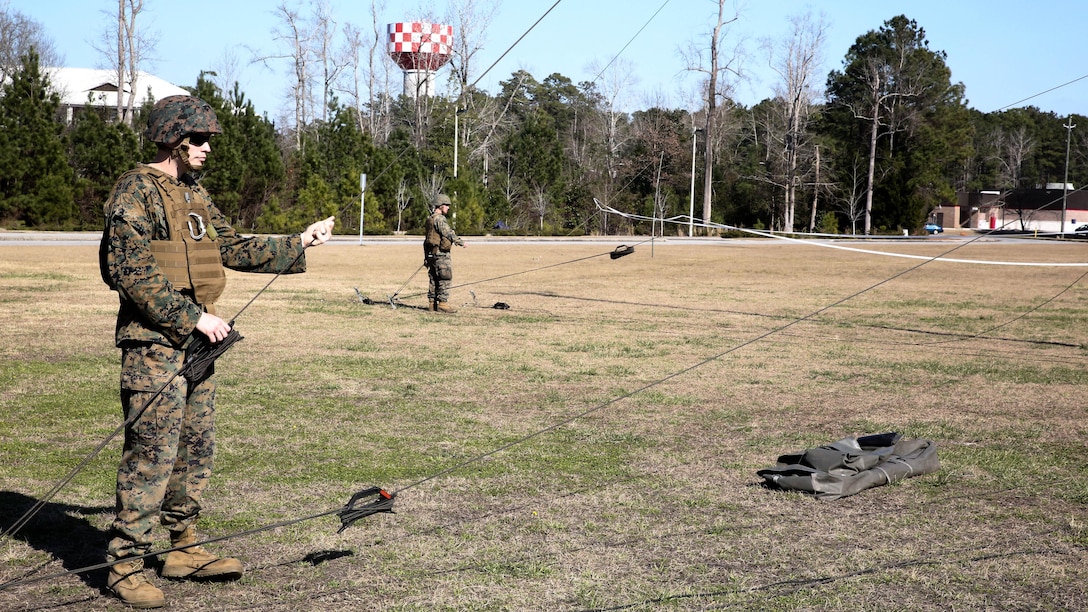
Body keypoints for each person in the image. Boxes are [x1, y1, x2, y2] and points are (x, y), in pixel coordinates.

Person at [98, 94, 335, 609]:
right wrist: (192, 318)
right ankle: (124, 564)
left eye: (208, 140)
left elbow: (231, 247)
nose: (207, 148)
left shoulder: (194, 193)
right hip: (154, 345)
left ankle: (183, 547)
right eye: (198, 139)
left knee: (193, 448)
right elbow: (129, 271)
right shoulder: (134, 191)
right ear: (171, 138)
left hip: (198, 343)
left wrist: (299, 242)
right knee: (152, 454)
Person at [423, 194, 466, 313]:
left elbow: (426, 240)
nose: (448, 208)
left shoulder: (430, 219)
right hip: (441, 254)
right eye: (446, 205)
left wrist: (426, 257)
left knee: (433, 278)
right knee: (445, 277)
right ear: (440, 206)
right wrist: (460, 242)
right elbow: (447, 233)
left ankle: (432, 304)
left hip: (432, 254)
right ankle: (442, 304)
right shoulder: (440, 219)